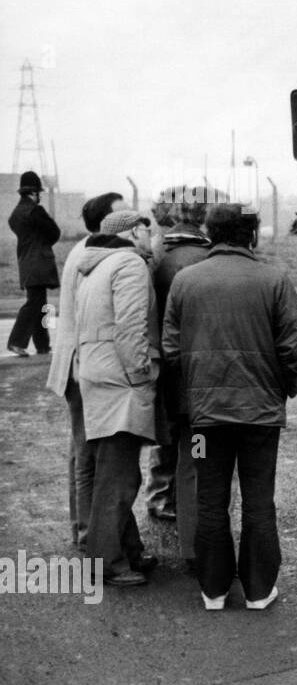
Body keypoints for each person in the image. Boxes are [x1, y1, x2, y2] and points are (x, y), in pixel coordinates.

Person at [164, 204, 297, 610]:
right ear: (253, 236)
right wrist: (283, 389)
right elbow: (293, 345)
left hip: (203, 419)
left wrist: (195, 391)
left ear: (210, 234)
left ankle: (213, 589)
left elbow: (171, 348)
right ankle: (259, 590)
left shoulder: (185, 281)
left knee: (210, 499)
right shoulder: (274, 280)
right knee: (259, 501)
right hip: (260, 415)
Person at [73, 210, 162, 586]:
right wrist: (143, 374)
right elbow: (130, 328)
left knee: (114, 468)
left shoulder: (94, 265)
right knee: (119, 476)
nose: (152, 237)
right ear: (132, 232)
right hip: (121, 379)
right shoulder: (129, 264)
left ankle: (129, 550)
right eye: (147, 230)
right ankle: (106, 562)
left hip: (96, 373)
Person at [44, 193, 121, 551]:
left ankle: (82, 529)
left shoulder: (84, 251)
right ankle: (89, 535)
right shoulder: (92, 254)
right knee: (87, 455)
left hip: (76, 362)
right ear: (106, 221)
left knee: (82, 452)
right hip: (81, 365)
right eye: (122, 214)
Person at [145, 198, 212, 565]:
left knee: (168, 434)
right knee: (194, 446)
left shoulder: (157, 253)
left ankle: (161, 494)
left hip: (167, 363)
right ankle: (184, 510)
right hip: (195, 369)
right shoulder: (203, 258)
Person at [7, 171, 60, 357]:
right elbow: (54, 232)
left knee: (40, 304)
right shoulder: (36, 211)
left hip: (25, 262)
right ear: (33, 193)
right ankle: (16, 341)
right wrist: (44, 242)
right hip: (40, 262)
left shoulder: (15, 214)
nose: (40, 196)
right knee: (35, 304)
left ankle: (43, 345)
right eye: (39, 193)